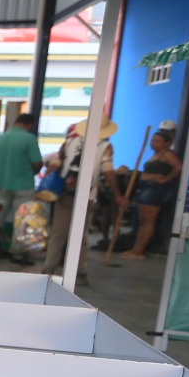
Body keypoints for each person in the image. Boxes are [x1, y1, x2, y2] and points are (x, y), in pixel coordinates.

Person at [43, 118, 127, 282]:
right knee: (80, 235)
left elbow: (55, 162)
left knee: (58, 233)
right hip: (86, 195)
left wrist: (47, 181)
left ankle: (49, 268)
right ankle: (79, 272)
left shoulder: (70, 142)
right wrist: (117, 194)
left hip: (64, 193)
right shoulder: (105, 147)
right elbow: (107, 171)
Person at [122, 129, 182, 259]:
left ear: (166, 143)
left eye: (157, 141)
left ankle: (138, 251)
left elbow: (178, 167)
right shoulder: (156, 155)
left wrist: (165, 179)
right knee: (143, 221)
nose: (153, 143)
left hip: (154, 189)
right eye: (153, 140)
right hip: (146, 188)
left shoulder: (167, 154)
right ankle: (136, 249)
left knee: (147, 221)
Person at [0, 113, 44, 246]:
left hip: (2, 184)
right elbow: (37, 163)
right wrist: (32, 172)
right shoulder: (29, 139)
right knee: (23, 219)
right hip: (24, 186)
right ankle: (18, 250)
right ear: (30, 125)